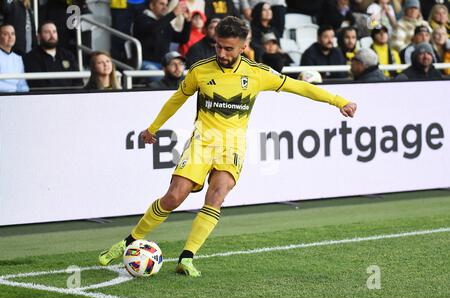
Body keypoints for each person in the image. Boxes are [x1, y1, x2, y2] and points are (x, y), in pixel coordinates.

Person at [98, 16, 357, 277]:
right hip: (201, 143)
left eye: (228, 48)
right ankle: (128, 242)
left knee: (217, 196)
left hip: (232, 147)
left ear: (244, 47)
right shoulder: (200, 70)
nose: (222, 53)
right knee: (174, 196)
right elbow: (176, 100)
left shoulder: (257, 73)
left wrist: (338, 101)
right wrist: (152, 128)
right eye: (218, 46)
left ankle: (187, 258)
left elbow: (298, 86)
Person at [133, 0, 192, 71]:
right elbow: (153, 30)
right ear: (152, 5)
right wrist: (173, 14)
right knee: (163, 80)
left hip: (165, 65)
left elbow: (182, 39)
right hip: (146, 63)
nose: (165, 7)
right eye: (161, 4)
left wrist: (187, 21)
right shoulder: (141, 19)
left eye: (166, 5)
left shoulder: (164, 23)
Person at [22, 21, 83, 89]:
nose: (52, 35)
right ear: (39, 36)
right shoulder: (30, 58)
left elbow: (78, 81)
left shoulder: (68, 55)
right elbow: (37, 83)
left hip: (68, 97)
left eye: (54, 32)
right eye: (47, 32)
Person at [0, 23, 29, 92]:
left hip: (15, 98)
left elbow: (22, 84)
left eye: (12, 34)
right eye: (6, 34)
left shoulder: (18, 58)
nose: (10, 37)